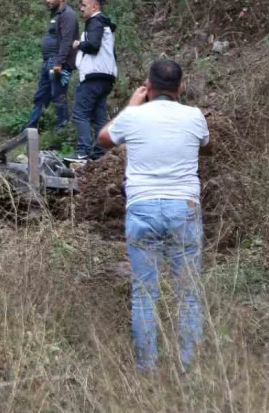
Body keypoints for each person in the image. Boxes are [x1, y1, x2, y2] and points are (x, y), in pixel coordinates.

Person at [97, 58, 213, 372]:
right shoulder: (194, 116)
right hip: (183, 210)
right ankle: (188, 370)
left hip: (142, 208)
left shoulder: (135, 116)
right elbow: (205, 144)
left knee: (144, 293)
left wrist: (132, 104)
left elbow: (104, 138)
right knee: (188, 293)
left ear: (147, 87)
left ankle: (146, 370)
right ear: (181, 87)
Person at [68, 0, 117, 162]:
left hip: (93, 77)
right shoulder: (104, 25)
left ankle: (82, 151)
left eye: (83, 5)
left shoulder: (95, 22)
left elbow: (93, 45)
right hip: (106, 77)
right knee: (99, 117)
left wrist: (78, 44)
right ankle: (99, 153)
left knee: (80, 113)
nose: (80, 8)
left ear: (94, 7)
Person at [22, 0, 78, 131]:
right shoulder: (56, 14)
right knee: (41, 95)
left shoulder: (68, 14)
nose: (48, 0)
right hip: (49, 61)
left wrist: (60, 62)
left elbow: (67, 40)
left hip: (57, 62)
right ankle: (30, 126)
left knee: (58, 95)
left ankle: (62, 129)